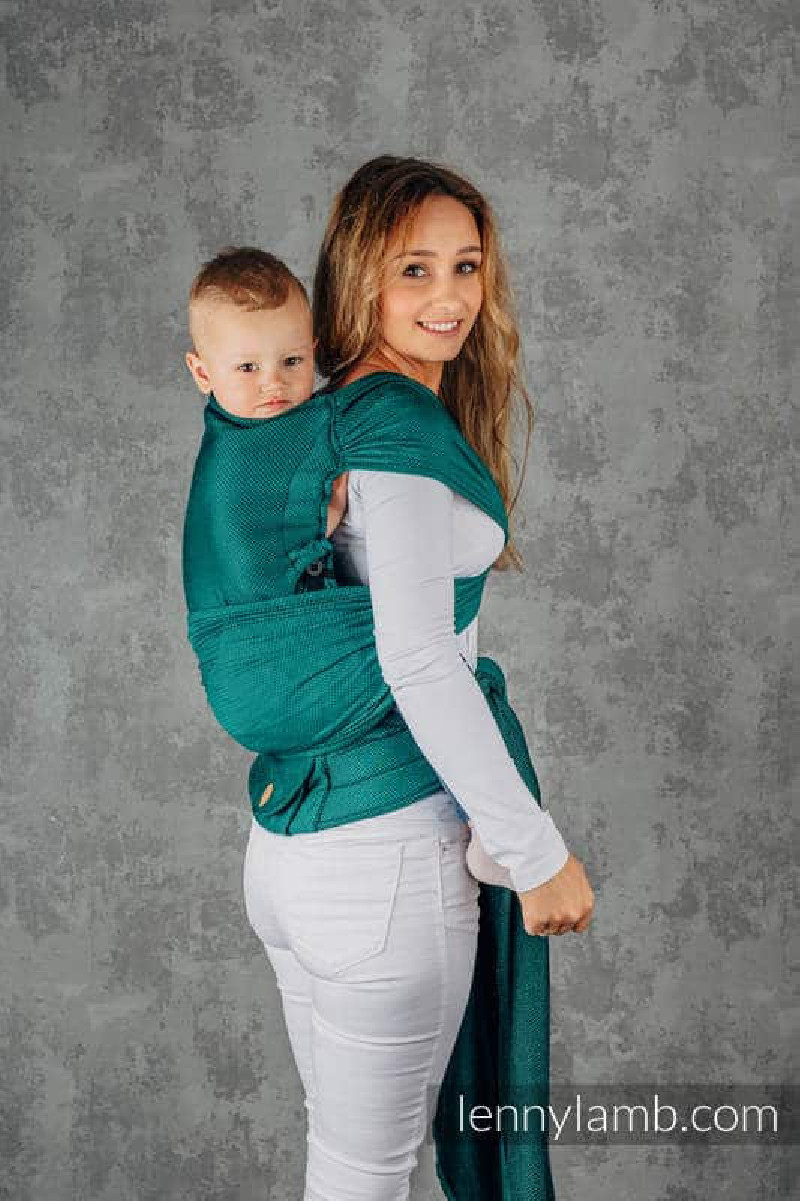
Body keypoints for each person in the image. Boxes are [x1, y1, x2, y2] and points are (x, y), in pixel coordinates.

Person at [235, 156, 595, 1199]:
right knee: (364, 1179)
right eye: (413, 269)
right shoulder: (390, 426)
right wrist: (534, 851)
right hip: (382, 863)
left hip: (297, 849)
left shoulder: (333, 411)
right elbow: (419, 657)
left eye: (465, 265)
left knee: (348, 1170)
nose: (448, 297)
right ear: (360, 277)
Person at [183, 243, 525, 889]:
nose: (273, 385)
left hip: (260, 720)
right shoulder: (306, 434)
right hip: (277, 674)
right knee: (441, 671)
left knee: (433, 667)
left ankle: (494, 828)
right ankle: (501, 834)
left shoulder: (242, 432)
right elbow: (412, 651)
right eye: (248, 367)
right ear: (203, 373)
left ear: (315, 350)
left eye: (291, 362)